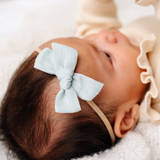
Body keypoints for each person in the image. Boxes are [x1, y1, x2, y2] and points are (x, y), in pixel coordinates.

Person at [0, 0, 159, 160]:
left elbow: (93, 19)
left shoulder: (93, 53)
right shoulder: (156, 90)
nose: (103, 34)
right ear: (127, 117)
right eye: (107, 56)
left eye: (83, 40)